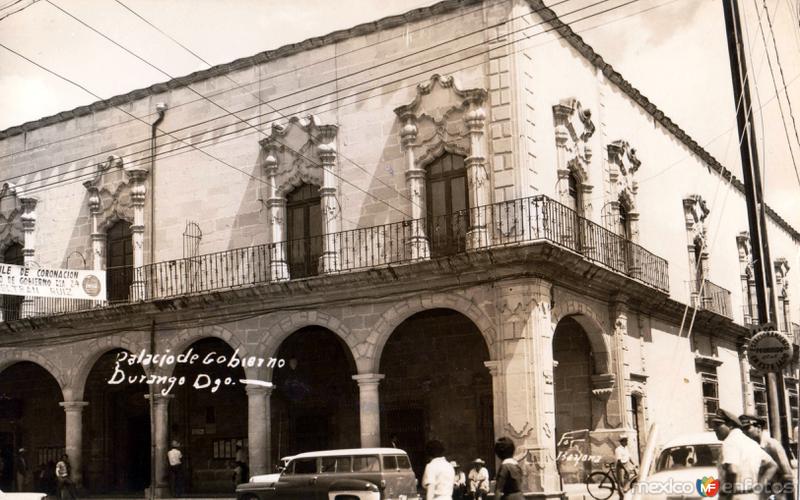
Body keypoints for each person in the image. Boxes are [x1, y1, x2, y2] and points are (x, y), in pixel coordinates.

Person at [710, 408, 777, 499]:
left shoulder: (729, 442)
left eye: (718, 425)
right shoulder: (750, 442)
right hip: (752, 495)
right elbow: (772, 465)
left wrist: (727, 497)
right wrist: (759, 487)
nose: (714, 429)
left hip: (736, 496)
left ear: (730, 425)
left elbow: (733, 471)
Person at [739, 413, 793, 499]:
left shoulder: (772, 445)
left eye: (747, 428)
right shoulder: (749, 447)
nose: (744, 433)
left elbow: (787, 476)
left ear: (759, 428)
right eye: (742, 430)